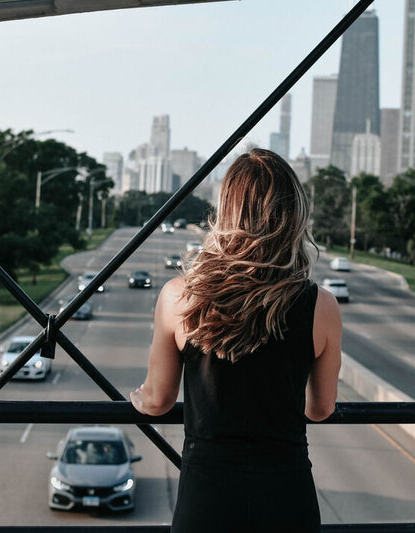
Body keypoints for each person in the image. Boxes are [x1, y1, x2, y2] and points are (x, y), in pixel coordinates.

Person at [130, 148, 342, 532]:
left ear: (225, 212)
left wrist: (138, 396)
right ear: (292, 215)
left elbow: (158, 401)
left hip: (207, 498)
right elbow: (321, 407)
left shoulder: (180, 296)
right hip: (287, 496)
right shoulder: (320, 305)